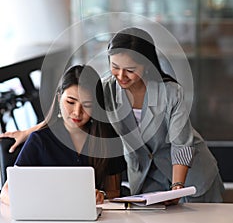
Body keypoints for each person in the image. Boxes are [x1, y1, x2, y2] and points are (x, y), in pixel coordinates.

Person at [1, 27, 225, 203]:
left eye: (130, 69)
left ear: (146, 65)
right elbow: (71, 106)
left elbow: (181, 145)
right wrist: (30, 131)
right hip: (146, 179)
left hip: (189, 176)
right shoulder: (107, 89)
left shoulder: (170, 92)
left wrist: (178, 187)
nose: (120, 75)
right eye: (114, 66)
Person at [0, 65, 126, 205]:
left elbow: (114, 192)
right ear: (59, 97)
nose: (77, 112)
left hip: (95, 219)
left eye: (87, 105)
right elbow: (6, 192)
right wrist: (34, 205)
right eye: (70, 102)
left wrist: (101, 196)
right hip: (48, 219)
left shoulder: (106, 139)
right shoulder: (40, 140)